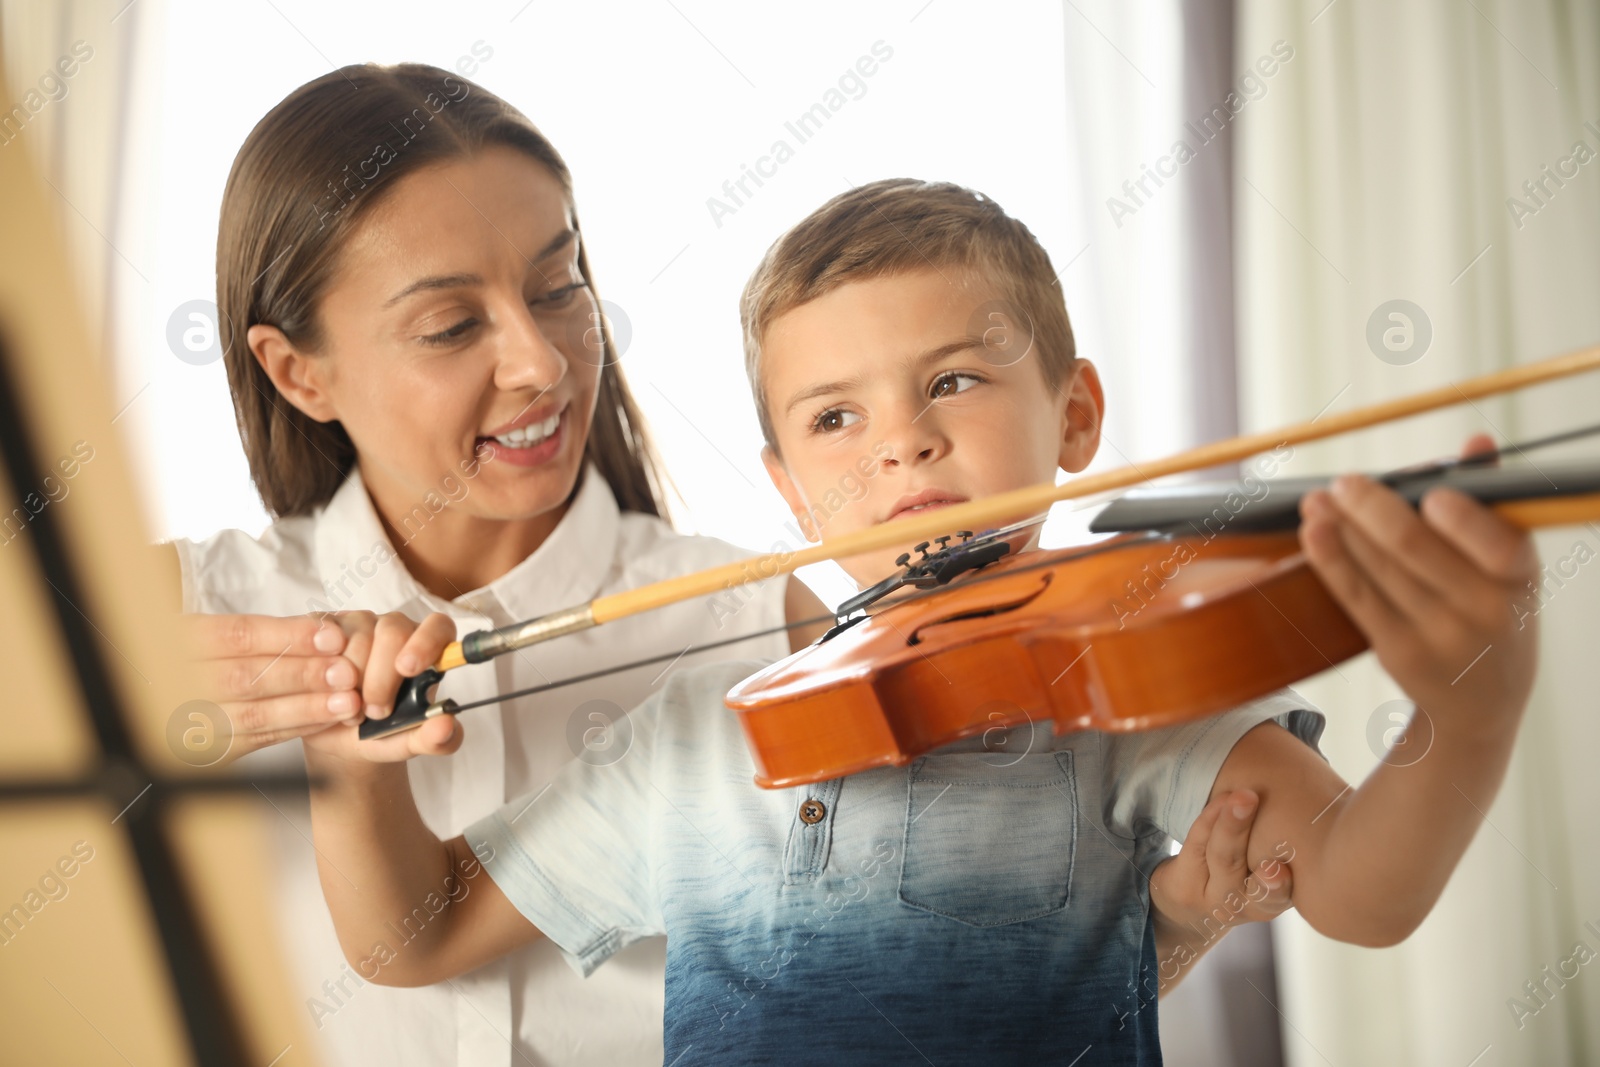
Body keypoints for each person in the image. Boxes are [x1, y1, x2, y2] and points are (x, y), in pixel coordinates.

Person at [169, 70, 1283, 1064]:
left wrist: (1175, 923)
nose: (543, 359)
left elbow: (990, 977)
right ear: (296, 370)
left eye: (560, 285)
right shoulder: (161, 614)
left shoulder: (789, 623)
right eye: (452, 324)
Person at [299, 178, 1538, 1062]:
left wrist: (1465, 712)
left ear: (1074, 416)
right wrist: (353, 777)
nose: (903, 441)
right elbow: (421, 933)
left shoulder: (1126, 687)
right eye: (835, 418)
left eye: (952, 379)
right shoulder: (698, 734)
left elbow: (1363, 895)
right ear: (786, 483)